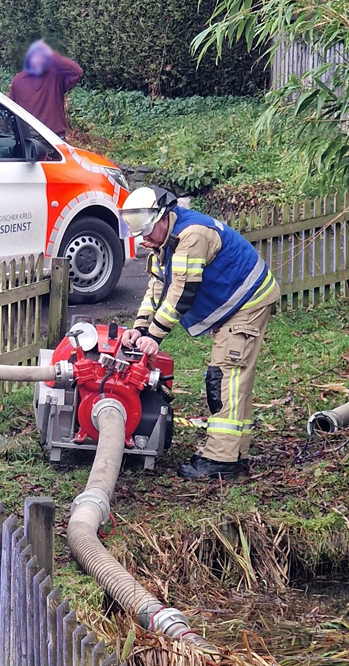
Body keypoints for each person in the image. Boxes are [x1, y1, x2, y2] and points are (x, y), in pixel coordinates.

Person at [120, 186, 280, 481]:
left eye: (147, 231)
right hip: (235, 303)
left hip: (248, 302)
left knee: (225, 378)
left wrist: (154, 337)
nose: (144, 238)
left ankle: (221, 459)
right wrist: (139, 328)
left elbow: (181, 292)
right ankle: (236, 451)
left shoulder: (191, 237)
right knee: (234, 378)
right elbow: (158, 288)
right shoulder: (164, 241)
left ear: (163, 217)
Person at [8, 39, 82, 138]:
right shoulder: (18, 82)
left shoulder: (55, 76)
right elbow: (11, 111)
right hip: (32, 139)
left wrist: (53, 56)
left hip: (54, 138)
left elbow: (76, 72)